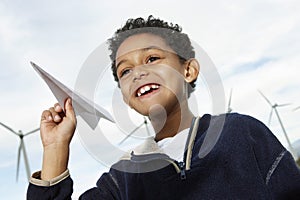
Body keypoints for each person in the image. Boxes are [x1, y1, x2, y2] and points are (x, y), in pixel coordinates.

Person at [27, 15, 300, 199]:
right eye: (125, 71)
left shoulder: (243, 133)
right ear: (124, 96)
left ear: (189, 69)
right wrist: (55, 149)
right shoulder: (122, 179)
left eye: (152, 58)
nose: (138, 73)